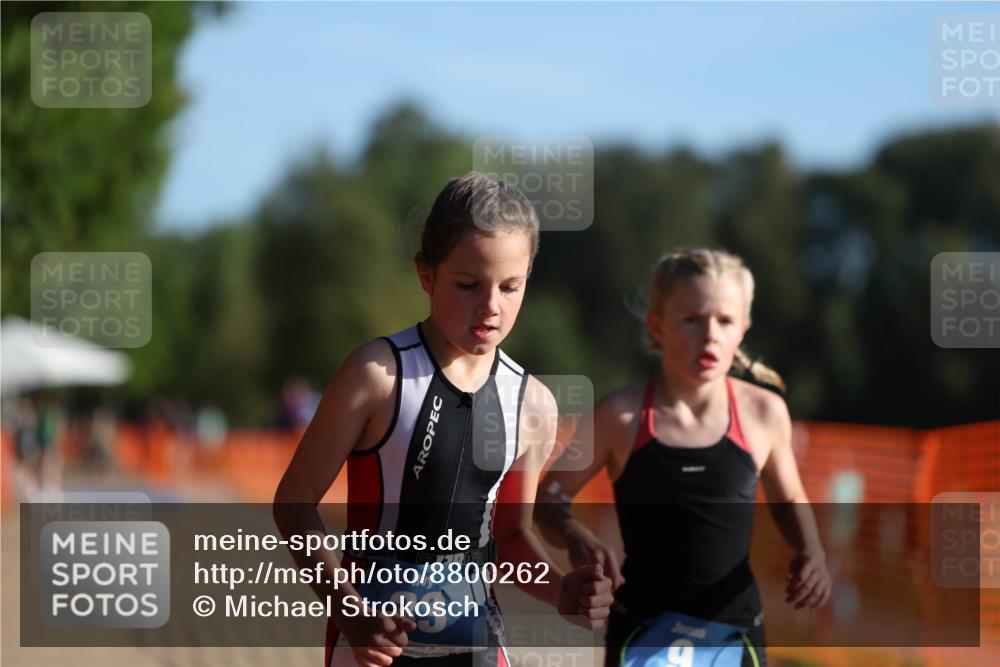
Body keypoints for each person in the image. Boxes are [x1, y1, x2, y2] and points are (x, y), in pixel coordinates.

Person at [274, 172, 613, 667]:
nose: (491, 306)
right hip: (375, 642)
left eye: (510, 286)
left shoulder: (532, 405)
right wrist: (349, 611)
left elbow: (512, 538)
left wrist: (561, 591)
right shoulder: (377, 374)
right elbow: (294, 502)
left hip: (475, 642)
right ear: (426, 275)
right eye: (468, 284)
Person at [535, 248, 832, 667]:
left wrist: (812, 552)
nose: (710, 334)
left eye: (724, 321)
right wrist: (573, 535)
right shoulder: (620, 415)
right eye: (692, 319)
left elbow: (787, 500)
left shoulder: (765, 413)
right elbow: (546, 499)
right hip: (642, 628)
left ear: (742, 330)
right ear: (657, 327)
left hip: (734, 627)